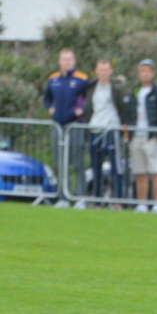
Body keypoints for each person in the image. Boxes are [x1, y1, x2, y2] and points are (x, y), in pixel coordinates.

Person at [124, 59, 157, 213]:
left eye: (148, 70)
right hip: (136, 136)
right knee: (140, 172)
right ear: (139, 74)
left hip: (152, 137)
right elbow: (128, 112)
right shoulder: (135, 91)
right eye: (142, 71)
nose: (145, 74)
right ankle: (142, 204)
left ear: (153, 73)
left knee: (155, 171)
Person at [82, 60, 130, 208]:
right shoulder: (91, 87)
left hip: (111, 130)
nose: (103, 73)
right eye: (101, 70)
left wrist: (125, 128)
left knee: (116, 167)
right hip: (95, 130)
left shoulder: (116, 88)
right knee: (96, 167)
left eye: (106, 70)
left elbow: (124, 108)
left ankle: (118, 200)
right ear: (96, 71)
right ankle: (97, 201)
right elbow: (88, 108)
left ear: (111, 71)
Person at [43, 48, 88, 204]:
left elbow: (86, 98)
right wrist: (50, 109)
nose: (67, 62)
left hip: (74, 126)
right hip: (58, 126)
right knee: (60, 163)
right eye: (64, 59)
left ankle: (80, 197)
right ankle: (63, 197)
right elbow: (47, 98)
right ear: (59, 61)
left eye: (69, 59)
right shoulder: (53, 79)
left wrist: (79, 110)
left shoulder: (82, 79)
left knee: (78, 163)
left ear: (74, 61)